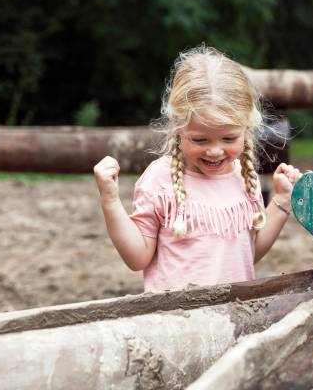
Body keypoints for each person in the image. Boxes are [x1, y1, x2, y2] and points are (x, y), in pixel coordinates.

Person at [93, 46, 301, 292]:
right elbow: (137, 258)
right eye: (200, 140)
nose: (214, 151)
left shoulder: (245, 177)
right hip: (176, 318)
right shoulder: (159, 180)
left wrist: (282, 201)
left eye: (228, 139)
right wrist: (110, 201)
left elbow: (249, 253)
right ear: (179, 128)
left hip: (234, 317)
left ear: (247, 128)